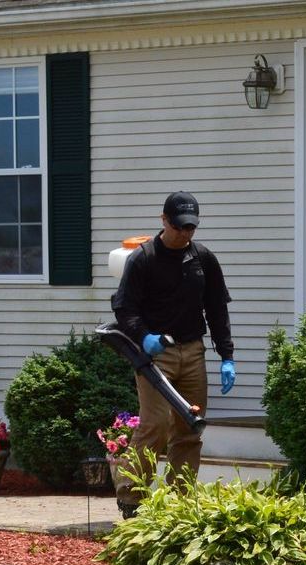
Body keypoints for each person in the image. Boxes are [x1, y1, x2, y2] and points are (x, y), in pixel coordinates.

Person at [110, 191, 234, 518]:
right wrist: (144, 337)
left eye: (191, 227)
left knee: (190, 428)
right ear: (164, 220)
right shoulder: (144, 259)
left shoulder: (204, 259)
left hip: (193, 351)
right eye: (179, 227)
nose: (185, 233)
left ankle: (178, 503)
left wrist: (226, 356)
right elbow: (124, 308)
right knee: (154, 425)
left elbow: (217, 310)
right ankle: (131, 499)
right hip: (155, 356)